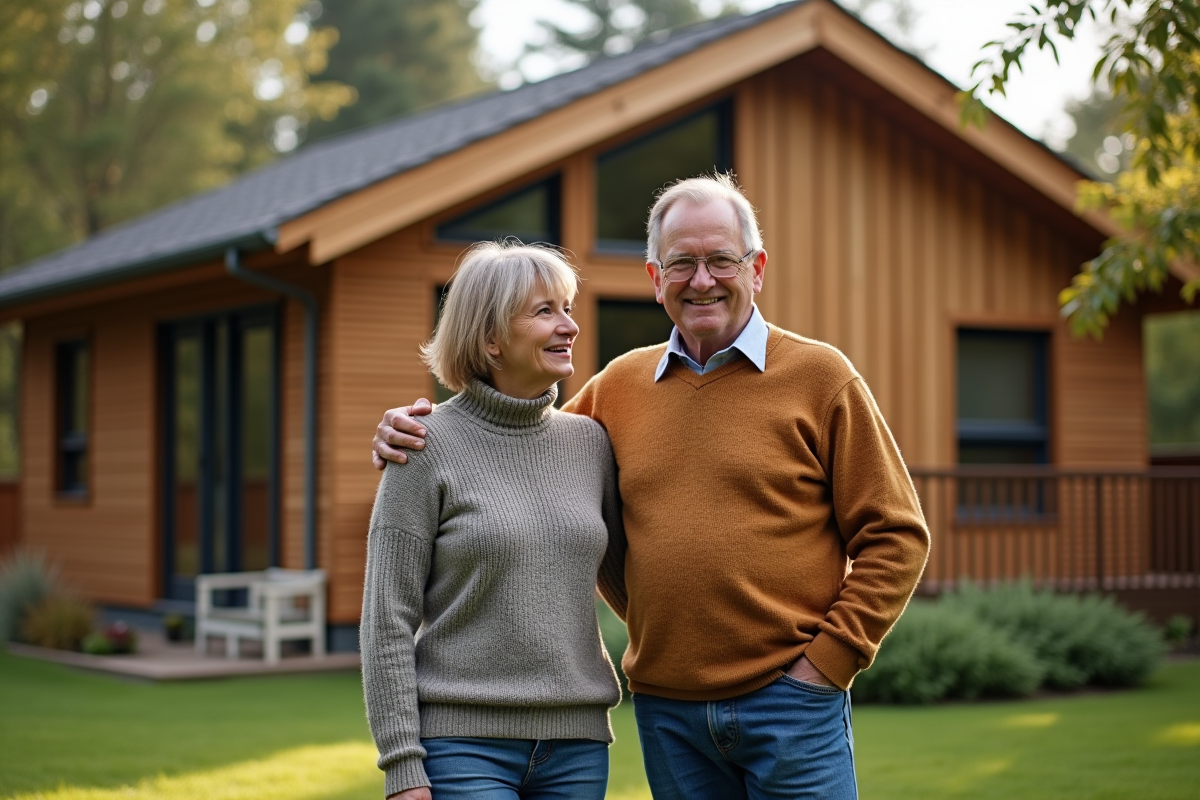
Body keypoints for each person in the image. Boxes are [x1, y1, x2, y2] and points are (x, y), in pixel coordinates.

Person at [373, 175, 930, 800]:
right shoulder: (617, 390)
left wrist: (826, 663)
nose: (702, 280)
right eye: (682, 263)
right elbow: (512, 440)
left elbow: (897, 535)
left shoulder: (821, 377)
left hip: (792, 704)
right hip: (670, 715)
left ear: (757, 269)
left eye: (722, 260)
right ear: (655, 278)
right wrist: (409, 430)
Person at [361, 241, 625, 800]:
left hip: (578, 747)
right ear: (490, 339)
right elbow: (387, 619)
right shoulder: (422, 446)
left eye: (567, 308)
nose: (570, 325)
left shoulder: (591, 443)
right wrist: (402, 766)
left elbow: (633, 578)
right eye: (545, 311)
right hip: (463, 746)